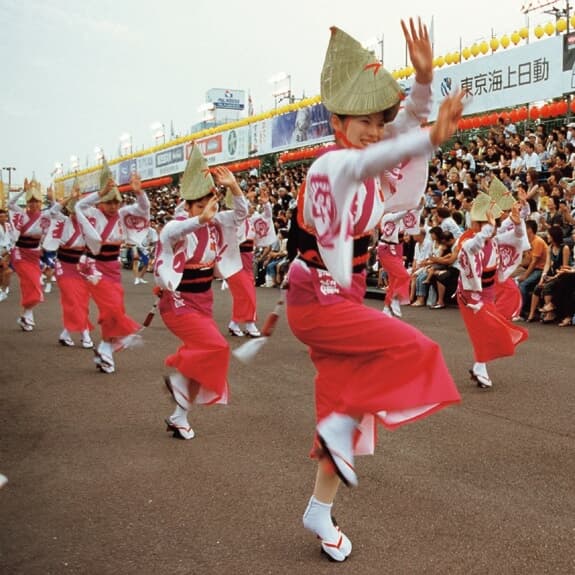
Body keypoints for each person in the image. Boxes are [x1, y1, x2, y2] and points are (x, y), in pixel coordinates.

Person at [285, 19, 463, 562]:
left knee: (348, 413)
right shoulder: (331, 165)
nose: (376, 129)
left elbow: (403, 124)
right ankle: (340, 424)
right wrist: (431, 135)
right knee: (415, 347)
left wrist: (425, 79)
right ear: (337, 120)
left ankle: (320, 510)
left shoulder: (372, 158)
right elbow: (375, 155)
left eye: (378, 120)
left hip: (346, 294)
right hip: (316, 299)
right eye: (364, 120)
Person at [157, 145, 248, 440]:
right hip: (178, 302)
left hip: (203, 301)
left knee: (203, 356)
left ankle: (179, 417)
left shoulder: (217, 224)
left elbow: (241, 213)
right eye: (199, 206)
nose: (208, 211)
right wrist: (200, 218)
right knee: (217, 348)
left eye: (210, 205)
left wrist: (233, 187)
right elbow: (170, 234)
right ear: (188, 207)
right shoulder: (178, 226)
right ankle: (177, 379)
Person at [75, 159, 150, 374]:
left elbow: (144, 208)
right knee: (111, 308)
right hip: (94, 268)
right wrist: (99, 193)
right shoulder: (92, 213)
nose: (113, 206)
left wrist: (139, 192)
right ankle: (112, 345)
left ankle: (105, 350)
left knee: (114, 310)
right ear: (100, 203)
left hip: (114, 268)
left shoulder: (123, 215)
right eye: (108, 203)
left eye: (116, 202)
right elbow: (79, 206)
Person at [456, 191, 529, 389]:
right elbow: (472, 247)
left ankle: (480, 367)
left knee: (488, 332)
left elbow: (518, 235)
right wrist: (488, 229)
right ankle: (480, 367)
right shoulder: (468, 241)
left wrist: (517, 216)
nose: (492, 226)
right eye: (485, 223)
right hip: (470, 297)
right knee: (488, 331)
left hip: (488, 294)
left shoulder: (495, 240)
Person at [42, 181, 94, 348]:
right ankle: (85, 333)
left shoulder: (87, 225)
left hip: (80, 266)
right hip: (63, 265)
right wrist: (70, 198)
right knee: (73, 299)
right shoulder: (62, 220)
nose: (75, 214)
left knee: (81, 300)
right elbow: (51, 211)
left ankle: (65, 333)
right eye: (72, 210)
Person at [225, 186, 276, 337]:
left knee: (244, 294)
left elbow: (267, 217)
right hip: (234, 261)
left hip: (247, 261)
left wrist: (266, 203)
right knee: (246, 293)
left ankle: (235, 323)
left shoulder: (253, 221)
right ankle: (250, 323)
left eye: (252, 205)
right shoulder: (231, 221)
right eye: (248, 205)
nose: (251, 207)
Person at [9, 178, 50, 331]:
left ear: (41, 203)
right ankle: (27, 315)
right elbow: (10, 204)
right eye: (30, 201)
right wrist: (22, 191)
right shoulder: (21, 214)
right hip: (20, 253)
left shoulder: (45, 217)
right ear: (27, 203)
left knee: (32, 285)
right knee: (32, 282)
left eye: (37, 201)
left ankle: (27, 315)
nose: (34, 204)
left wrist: (52, 200)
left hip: (34, 255)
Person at [377, 209, 419, 317]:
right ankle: (395, 298)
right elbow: (399, 215)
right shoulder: (387, 216)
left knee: (394, 280)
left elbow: (412, 216)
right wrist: (408, 209)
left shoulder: (401, 219)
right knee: (404, 276)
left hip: (397, 249)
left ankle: (387, 307)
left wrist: (418, 206)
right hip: (386, 249)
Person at [0, 208, 14, 302]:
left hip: (8, 249)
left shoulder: (9, 225)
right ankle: (2, 288)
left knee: (7, 270)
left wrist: (11, 249)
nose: (3, 218)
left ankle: (4, 288)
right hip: (0, 250)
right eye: (1, 216)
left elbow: (13, 237)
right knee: (1, 271)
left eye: (5, 216)